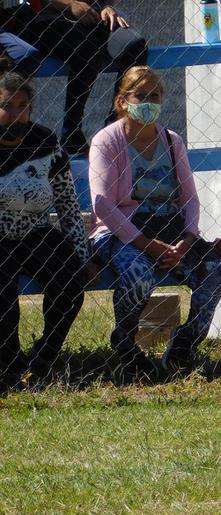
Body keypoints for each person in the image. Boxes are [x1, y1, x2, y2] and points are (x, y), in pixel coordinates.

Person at [89, 65, 221, 382]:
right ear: (123, 101)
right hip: (121, 232)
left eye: (154, 96)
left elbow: (190, 198)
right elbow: (103, 205)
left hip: (169, 229)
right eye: (140, 96)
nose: (148, 102)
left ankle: (183, 346)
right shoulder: (106, 141)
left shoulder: (171, 140)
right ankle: (126, 344)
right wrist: (146, 245)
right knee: (139, 275)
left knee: (214, 273)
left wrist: (188, 238)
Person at [0, 70, 88, 391]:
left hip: (36, 233)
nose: (15, 113)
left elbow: (67, 203)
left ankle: (43, 358)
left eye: (22, 106)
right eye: (7, 106)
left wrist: (82, 256)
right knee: (2, 293)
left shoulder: (46, 142)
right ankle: (10, 367)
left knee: (71, 281)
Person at [0, 1, 147, 155]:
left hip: (94, 15)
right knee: (87, 50)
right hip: (47, 17)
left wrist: (105, 7)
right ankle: (72, 131)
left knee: (135, 45)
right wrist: (70, 4)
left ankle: (116, 126)